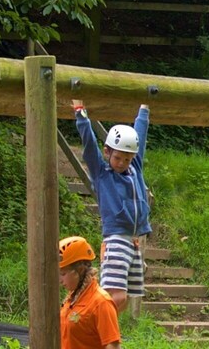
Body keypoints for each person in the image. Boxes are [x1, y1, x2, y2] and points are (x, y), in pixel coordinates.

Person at [73, 100, 153, 310]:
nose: (122, 163)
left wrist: (144, 110)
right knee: (114, 296)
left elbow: (140, 138)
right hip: (116, 238)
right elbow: (89, 145)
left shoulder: (135, 168)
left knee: (124, 299)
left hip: (134, 241)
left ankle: (102, 334)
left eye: (127, 159)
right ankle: (93, 330)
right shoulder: (102, 173)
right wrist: (80, 113)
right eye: (118, 158)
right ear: (107, 152)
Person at [59, 236, 122, 349]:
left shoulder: (101, 302)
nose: (59, 280)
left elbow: (113, 345)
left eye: (63, 274)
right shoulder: (72, 298)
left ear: (80, 270)